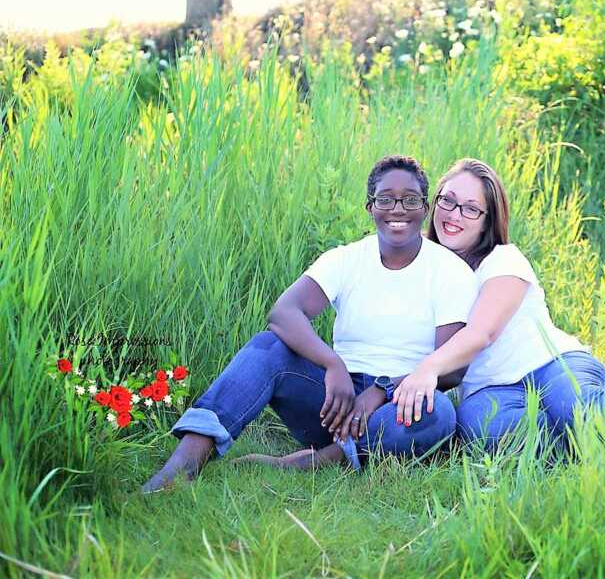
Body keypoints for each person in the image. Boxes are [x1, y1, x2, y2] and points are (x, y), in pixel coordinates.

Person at [141, 155, 478, 493]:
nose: (398, 209)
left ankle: (315, 461)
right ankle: (183, 464)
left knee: (439, 414)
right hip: (337, 404)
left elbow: (451, 370)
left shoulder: (449, 271)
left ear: (424, 207)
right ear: (370, 206)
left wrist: (381, 391)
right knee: (267, 347)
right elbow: (284, 312)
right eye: (386, 199)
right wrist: (332, 365)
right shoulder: (346, 259)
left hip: (400, 405)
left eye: (410, 199)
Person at [394, 158, 605, 452]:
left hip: (552, 364)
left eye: (471, 208)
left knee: (576, 408)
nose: (454, 215)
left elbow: (481, 333)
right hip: (488, 389)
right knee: (493, 434)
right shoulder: (423, 268)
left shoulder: (502, 259)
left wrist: (428, 368)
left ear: (488, 220)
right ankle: (578, 457)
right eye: (447, 201)